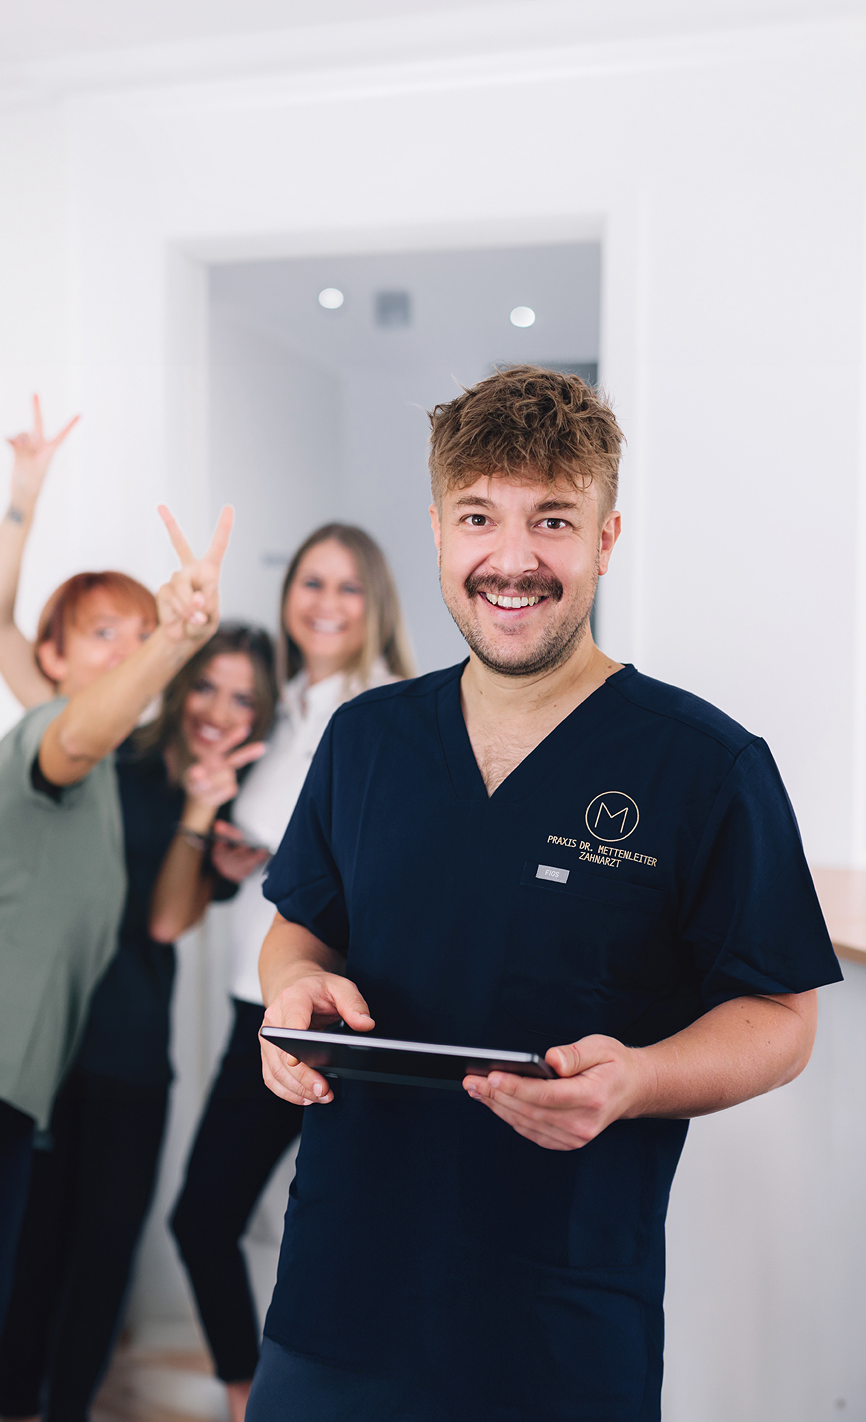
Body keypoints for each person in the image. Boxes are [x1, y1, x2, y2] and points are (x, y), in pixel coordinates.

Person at [250, 366, 843, 1422]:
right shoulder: (367, 742)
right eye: (480, 516)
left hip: (556, 1325)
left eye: (553, 520)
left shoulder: (702, 764)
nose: (512, 560)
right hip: (340, 1296)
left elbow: (783, 1019)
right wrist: (292, 991)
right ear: (438, 530)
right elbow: (303, 929)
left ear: (605, 541)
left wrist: (640, 1078)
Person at [0, 391, 234, 1421]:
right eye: (103, 633)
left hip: (21, 1090)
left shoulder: (109, 777)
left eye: (137, 633)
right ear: (51, 658)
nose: (125, 647)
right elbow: (37, 674)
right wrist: (26, 500)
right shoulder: (51, 738)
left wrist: (169, 641)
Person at [170, 524, 414, 1422]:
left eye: (349, 587)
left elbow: (383, 870)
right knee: (204, 1221)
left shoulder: (397, 713)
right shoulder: (271, 717)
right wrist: (239, 862)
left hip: (345, 1015)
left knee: (356, 1234)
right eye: (311, 582)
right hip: (255, 1004)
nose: (325, 602)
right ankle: (248, 1399)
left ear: (377, 603)